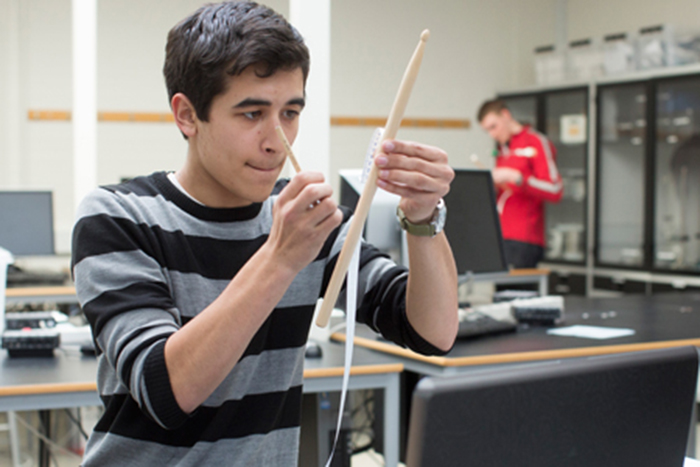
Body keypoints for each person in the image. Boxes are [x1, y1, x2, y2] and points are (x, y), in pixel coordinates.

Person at [71, 2, 459, 466]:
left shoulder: (305, 220)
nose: (278, 140)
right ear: (187, 115)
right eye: (252, 114)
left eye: (290, 112)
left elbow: (432, 332)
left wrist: (422, 218)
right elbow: (166, 391)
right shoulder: (117, 217)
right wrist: (280, 259)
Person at [478, 99, 563, 268]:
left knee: (520, 293)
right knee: (501, 293)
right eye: (487, 130)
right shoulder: (503, 149)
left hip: (526, 238)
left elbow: (555, 189)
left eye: (493, 127)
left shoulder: (536, 142)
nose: (492, 134)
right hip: (502, 235)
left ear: (505, 115)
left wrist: (517, 178)